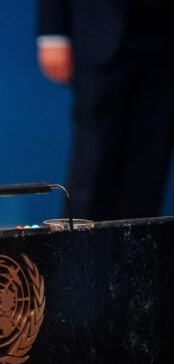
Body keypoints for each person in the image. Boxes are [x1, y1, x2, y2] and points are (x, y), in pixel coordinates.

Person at [37, 0, 174, 221]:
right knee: (93, 163)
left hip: (164, 38)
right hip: (97, 29)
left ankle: (138, 253)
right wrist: (52, 32)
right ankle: (79, 252)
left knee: (151, 163)